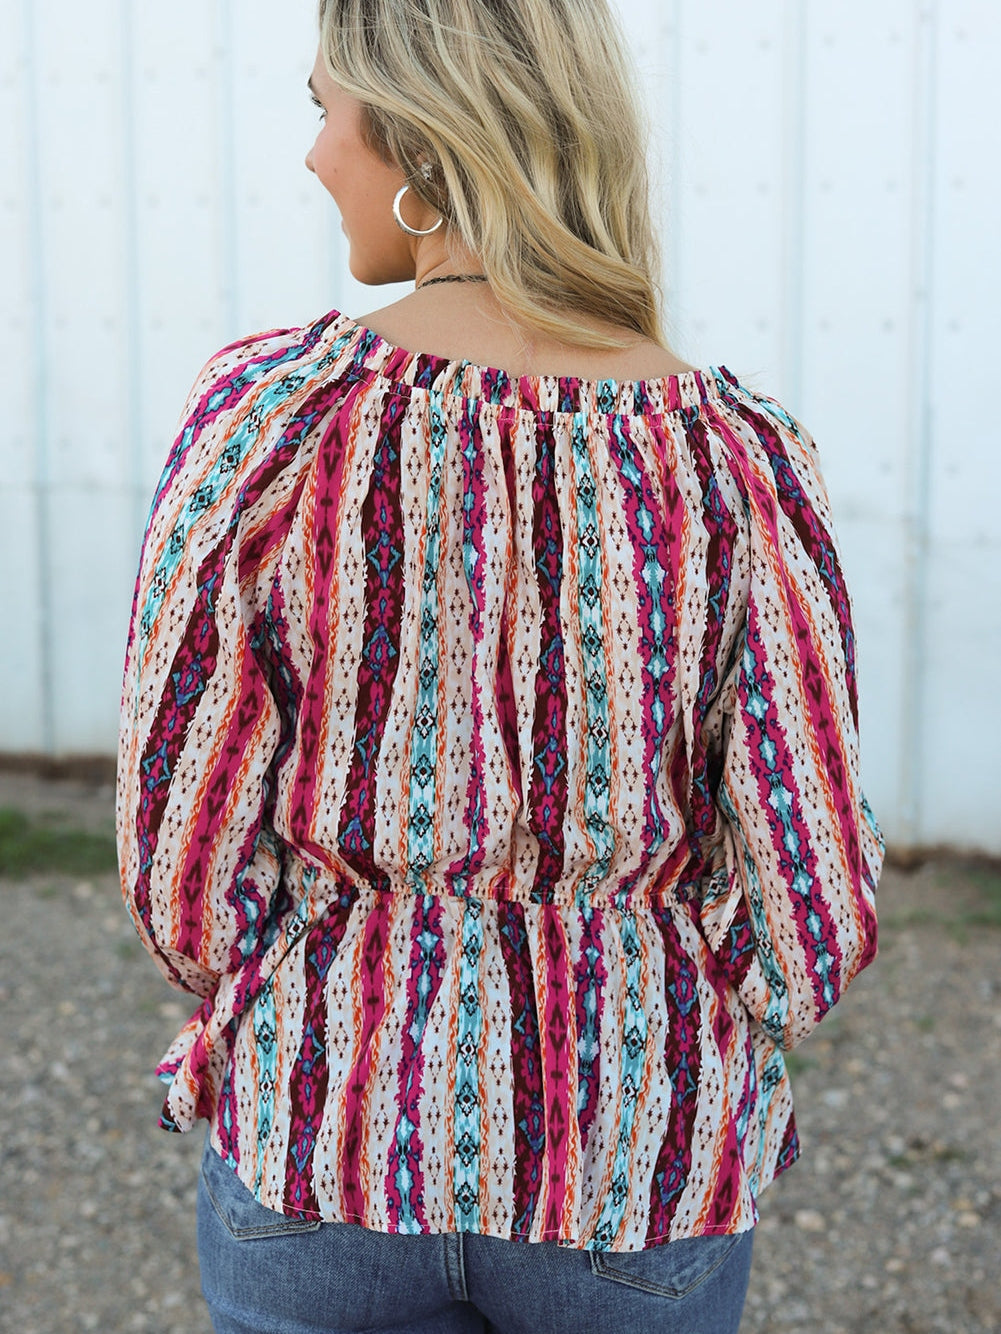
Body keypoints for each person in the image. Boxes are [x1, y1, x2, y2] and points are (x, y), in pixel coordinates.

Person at [116, 1, 883, 1331]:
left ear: (421, 140)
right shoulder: (741, 460)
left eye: (325, 110)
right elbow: (810, 888)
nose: (313, 155)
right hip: (636, 1163)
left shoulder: (268, 423)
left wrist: (293, 983)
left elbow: (180, 850)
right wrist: (676, 1014)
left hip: (323, 1139)